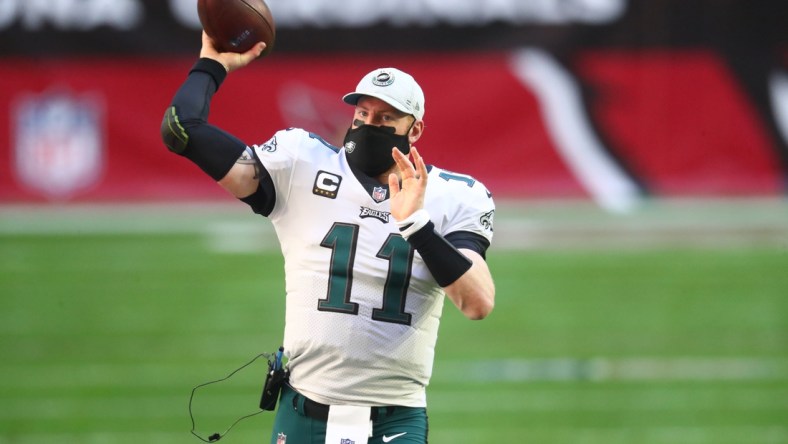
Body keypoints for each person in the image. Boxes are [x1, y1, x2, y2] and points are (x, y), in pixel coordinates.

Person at [161, 33, 496, 444]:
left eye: (387, 118)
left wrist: (417, 226)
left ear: (415, 130)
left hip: (394, 418)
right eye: (363, 115)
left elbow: (478, 302)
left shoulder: (451, 195)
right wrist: (211, 65)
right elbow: (182, 129)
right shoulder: (301, 166)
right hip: (304, 410)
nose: (370, 126)